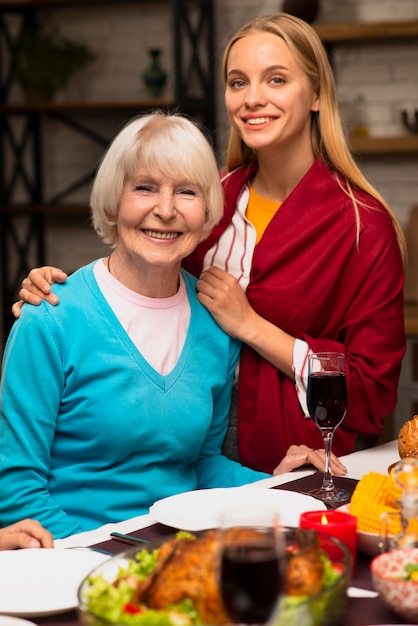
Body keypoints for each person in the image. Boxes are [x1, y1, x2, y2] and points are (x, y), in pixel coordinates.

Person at [13, 13, 402, 477]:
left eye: (276, 79)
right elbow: (145, 282)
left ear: (317, 94)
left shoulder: (364, 226)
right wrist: (60, 295)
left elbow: (370, 396)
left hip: (288, 453)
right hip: (180, 440)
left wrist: (251, 325)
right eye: (238, 82)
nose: (253, 98)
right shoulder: (205, 201)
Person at [1, 111, 327, 540]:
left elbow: (201, 464)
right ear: (114, 201)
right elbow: (17, 491)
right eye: (145, 187)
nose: (166, 210)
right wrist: (107, 560)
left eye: (187, 192)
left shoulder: (213, 324)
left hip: (179, 552)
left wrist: (282, 489)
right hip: (79, 555)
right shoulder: (50, 318)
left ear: (207, 209)